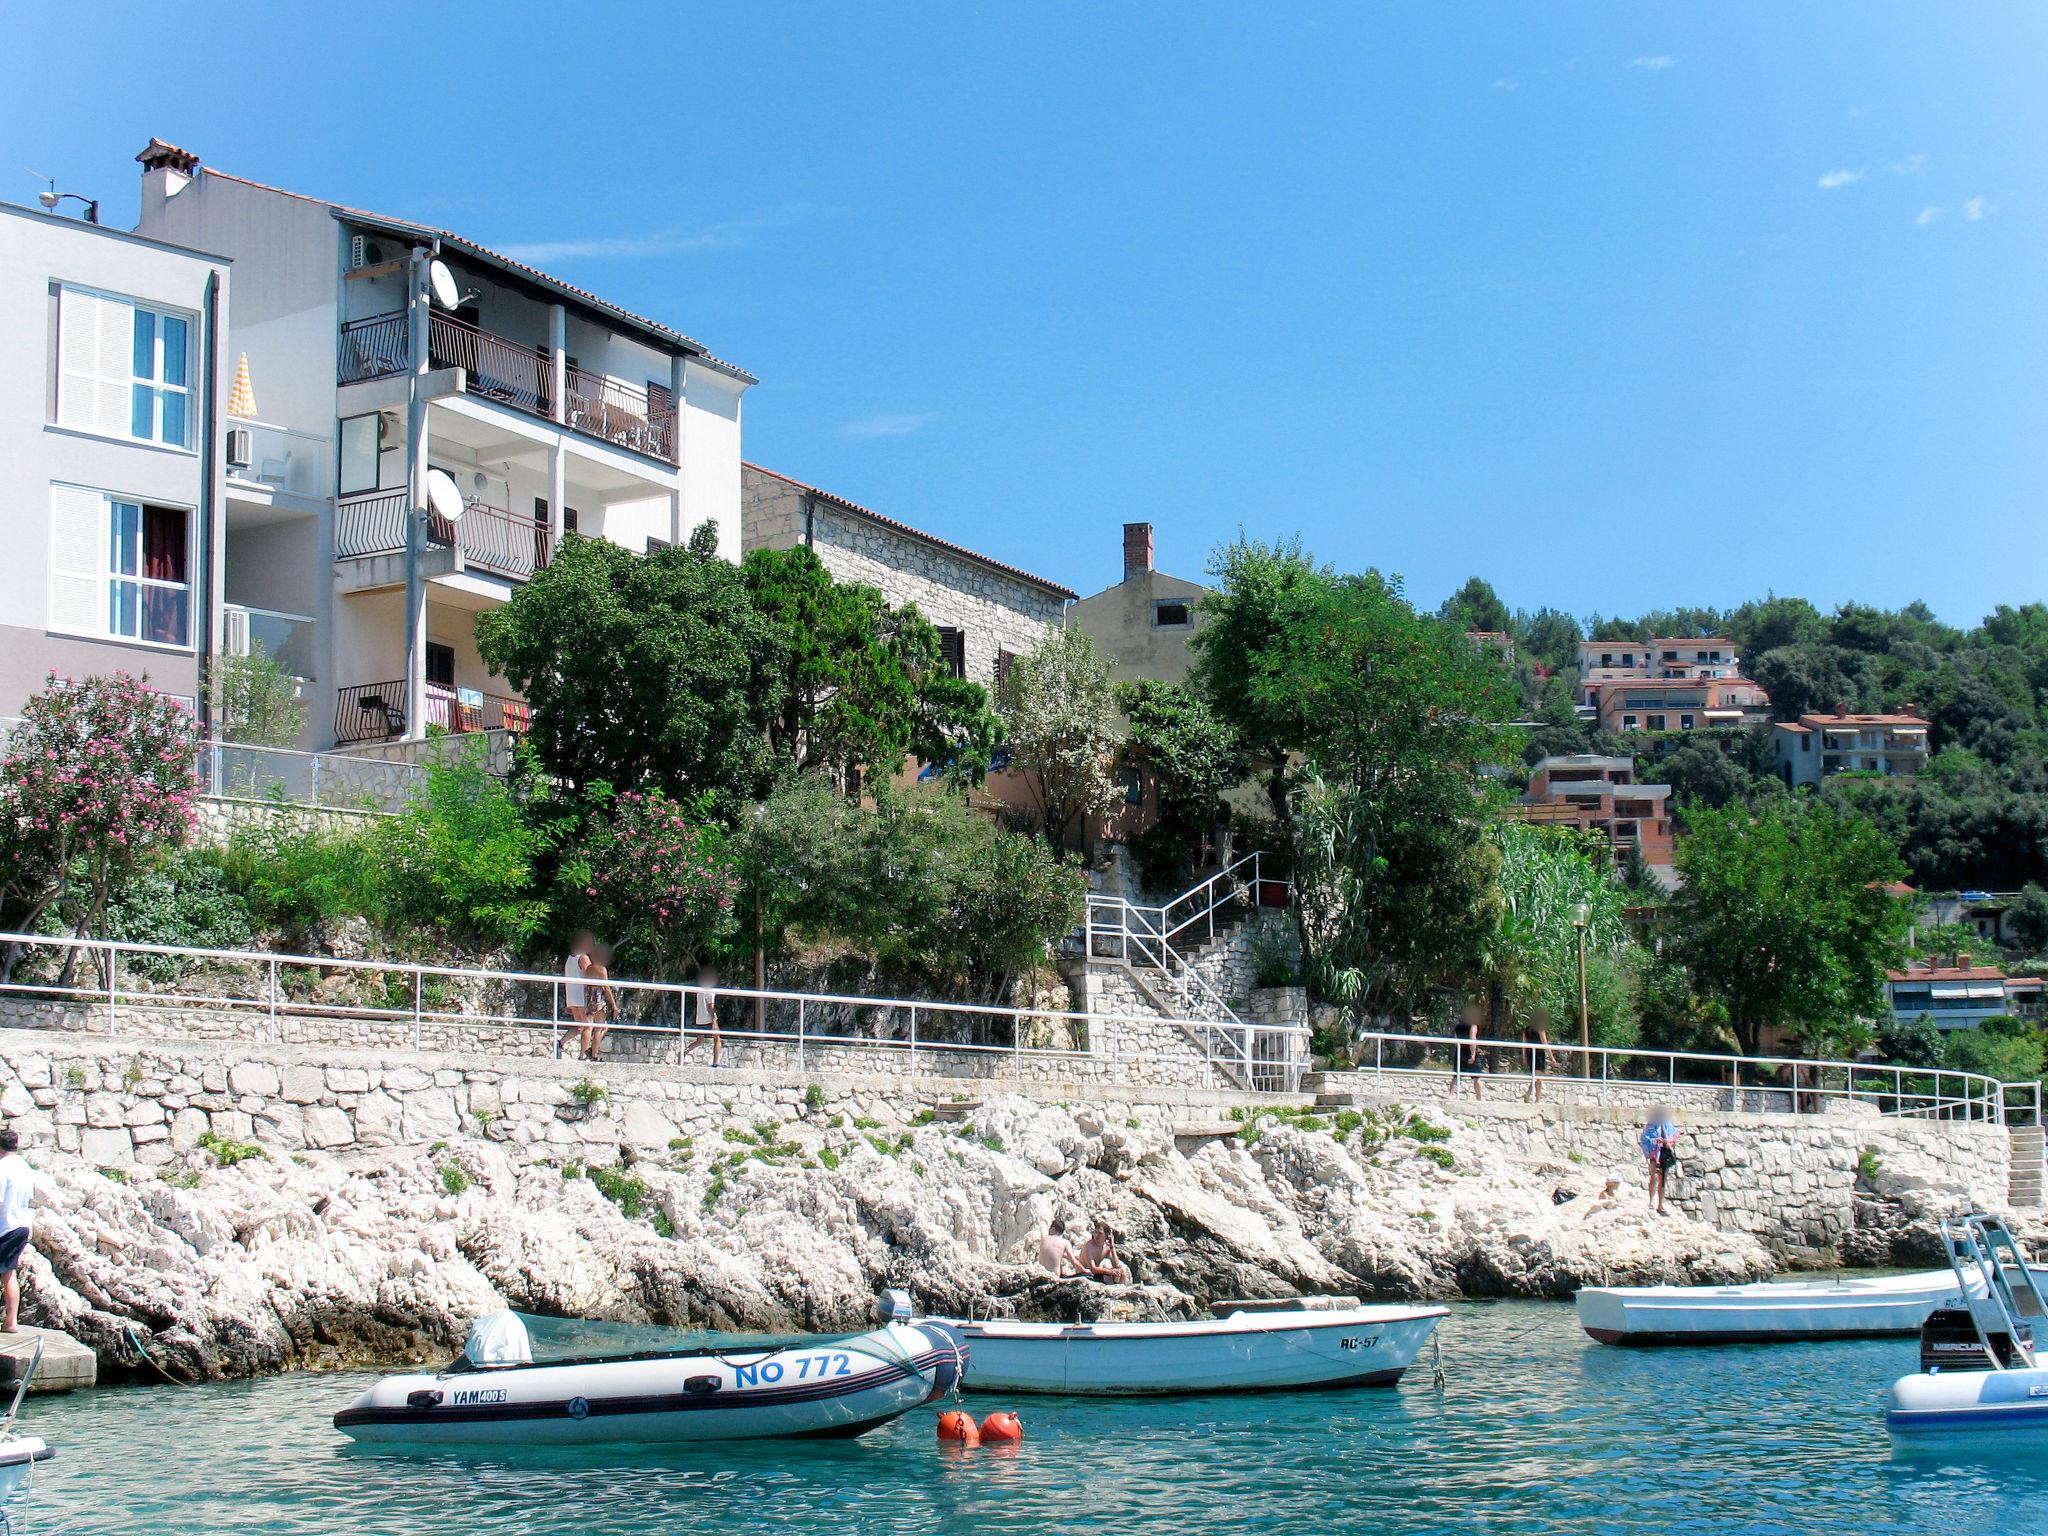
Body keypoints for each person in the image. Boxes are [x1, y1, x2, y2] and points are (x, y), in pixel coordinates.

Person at [0, 1129, 35, 1333]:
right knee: (8, 1273)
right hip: (22, 1226)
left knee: (7, 1273)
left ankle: (11, 1322)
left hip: (5, 1226)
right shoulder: (25, 1167)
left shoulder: (2, 1168)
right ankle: (11, 1321)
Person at [1640, 1106, 1679, 1215]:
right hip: (1655, 1153)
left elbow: (1674, 1137)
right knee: (1654, 1176)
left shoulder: (1667, 1125)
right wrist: (1655, 1141)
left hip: (1664, 1152)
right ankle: (1651, 1201)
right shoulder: (1650, 1126)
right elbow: (1644, 1139)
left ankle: (1660, 1204)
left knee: (1663, 1180)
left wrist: (1667, 1142)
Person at [1450, 1008, 1486, 1100]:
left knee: (1457, 1076)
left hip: (1460, 1051)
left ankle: (1451, 1096)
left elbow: (1455, 1039)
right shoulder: (1473, 1025)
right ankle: (1479, 1098)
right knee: (1476, 1077)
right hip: (1469, 1052)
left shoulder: (1458, 1026)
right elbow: (1472, 1039)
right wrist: (1473, 1054)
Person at [1523, 1007, 1551, 1104]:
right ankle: (1535, 1098)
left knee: (1536, 1077)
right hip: (1538, 1054)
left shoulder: (1527, 1029)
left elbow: (1524, 1045)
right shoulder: (1540, 1029)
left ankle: (1530, 1095)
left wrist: (1525, 1058)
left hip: (1530, 1054)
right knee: (1538, 1078)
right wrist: (1552, 1058)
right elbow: (1545, 1044)